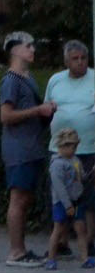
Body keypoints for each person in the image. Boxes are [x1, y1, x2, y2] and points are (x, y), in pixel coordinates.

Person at [0, 31, 55, 266]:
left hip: (32, 146)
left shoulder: (28, 78)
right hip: (18, 148)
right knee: (18, 198)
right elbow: (6, 115)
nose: (33, 50)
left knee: (26, 198)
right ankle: (16, 252)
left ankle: (22, 249)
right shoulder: (10, 80)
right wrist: (37, 111)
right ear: (15, 50)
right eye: (28, 46)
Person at [46, 40, 95, 182]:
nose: (80, 62)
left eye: (83, 58)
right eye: (75, 58)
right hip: (59, 150)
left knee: (86, 197)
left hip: (89, 150)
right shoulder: (55, 80)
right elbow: (46, 110)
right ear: (66, 61)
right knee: (61, 196)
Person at [43, 127, 92, 269]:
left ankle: (85, 258)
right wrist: (67, 205)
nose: (74, 150)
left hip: (77, 199)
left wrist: (89, 174)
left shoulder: (75, 160)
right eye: (71, 147)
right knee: (58, 229)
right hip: (62, 202)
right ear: (62, 146)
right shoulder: (57, 165)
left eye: (75, 147)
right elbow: (59, 188)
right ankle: (51, 259)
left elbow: (81, 177)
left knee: (81, 228)